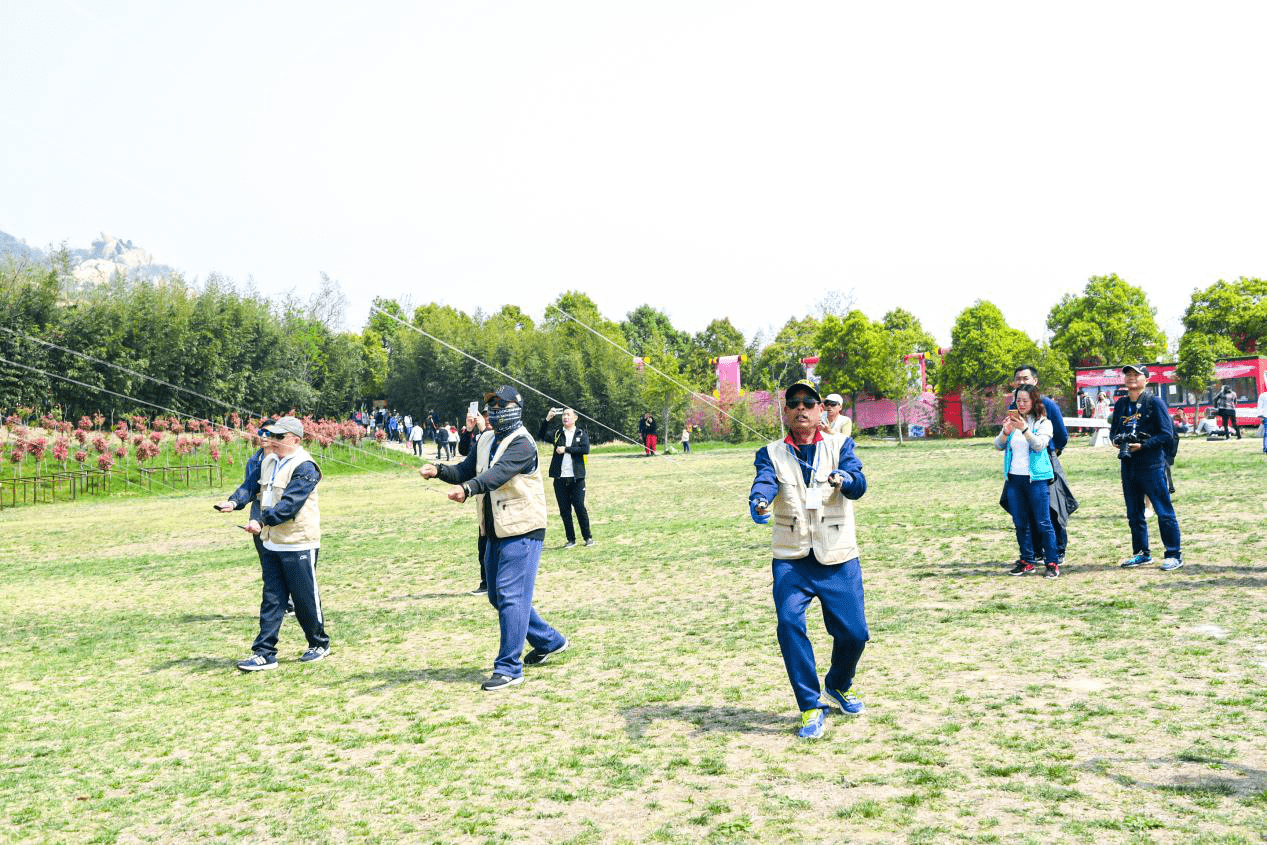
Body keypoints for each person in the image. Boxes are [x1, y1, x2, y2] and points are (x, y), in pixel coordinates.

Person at [418, 386, 568, 690]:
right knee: (498, 596)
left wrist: (468, 489)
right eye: (491, 404)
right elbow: (466, 469)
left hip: (523, 529)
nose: (493, 410)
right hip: (494, 529)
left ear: (515, 407)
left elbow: (496, 475)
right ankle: (550, 641)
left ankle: (509, 668)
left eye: (499, 404)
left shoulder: (523, 444)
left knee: (511, 596)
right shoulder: (486, 438)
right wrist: (439, 471)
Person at [749, 379, 869, 740]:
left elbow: (860, 483)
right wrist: (759, 502)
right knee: (789, 625)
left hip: (838, 555)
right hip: (792, 557)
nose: (801, 408)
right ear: (785, 412)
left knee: (855, 633)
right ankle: (809, 706)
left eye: (809, 402)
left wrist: (844, 478)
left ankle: (838, 682)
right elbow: (765, 481)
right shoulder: (769, 452)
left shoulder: (840, 444)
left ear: (821, 410)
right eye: (794, 402)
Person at [233, 416, 331, 670]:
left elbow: (289, 505)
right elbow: (258, 494)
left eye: (279, 437)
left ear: (295, 440)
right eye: (270, 436)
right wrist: (237, 504)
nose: (272, 440)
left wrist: (262, 522)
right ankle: (264, 652)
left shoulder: (306, 466)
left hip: (299, 542)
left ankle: (319, 643)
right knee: (272, 598)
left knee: (303, 598)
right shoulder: (268, 462)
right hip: (272, 542)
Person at [1112, 365, 1184, 571]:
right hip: (1128, 464)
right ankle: (1141, 553)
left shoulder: (1154, 402)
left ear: (1147, 379)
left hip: (1151, 464)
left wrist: (1144, 444)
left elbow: (1166, 434)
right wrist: (1117, 441)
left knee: (1163, 510)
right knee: (1134, 513)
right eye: (1128, 375)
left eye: (1136, 375)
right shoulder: (1121, 405)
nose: (1131, 378)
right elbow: (1114, 431)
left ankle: (1173, 554)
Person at [994, 386, 1061, 577]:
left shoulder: (1043, 422)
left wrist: (1024, 428)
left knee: (1043, 522)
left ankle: (1052, 562)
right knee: (1020, 522)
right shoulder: (1012, 422)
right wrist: (1006, 432)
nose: (1020, 404)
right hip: (1015, 479)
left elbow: (1039, 445)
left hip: (1036, 479)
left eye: (1025, 400)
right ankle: (1027, 560)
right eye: (1018, 400)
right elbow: (998, 445)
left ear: (1034, 401)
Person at [1010, 366, 1072, 565]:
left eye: (1025, 378)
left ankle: (1057, 551)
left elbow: (1062, 434)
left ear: (1035, 381)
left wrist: (1053, 452)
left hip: (1044, 460)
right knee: (1025, 511)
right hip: (1019, 469)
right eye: (1018, 378)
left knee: (1052, 508)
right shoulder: (1015, 406)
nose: (1021, 381)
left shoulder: (1047, 404)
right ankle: (1035, 551)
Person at [538, 407, 594, 548]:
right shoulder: (558, 433)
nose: (565, 417)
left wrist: (566, 449)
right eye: (563, 414)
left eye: (568, 414)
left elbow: (585, 449)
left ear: (575, 417)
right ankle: (571, 539)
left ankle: (588, 537)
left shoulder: (581, 433)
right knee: (564, 510)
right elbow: (541, 435)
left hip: (577, 478)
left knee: (580, 507)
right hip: (560, 478)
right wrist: (547, 419)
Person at [458, 409, 490, 595]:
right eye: (484, 417)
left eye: (488, 417)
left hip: (499, 497)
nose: (486, 420)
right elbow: (464, 452)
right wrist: (470, 431)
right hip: (481, 496)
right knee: (483, 540)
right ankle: (485, 581)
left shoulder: (496, 438)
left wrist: (483, 430)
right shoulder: (479, 438)